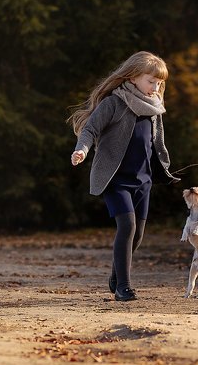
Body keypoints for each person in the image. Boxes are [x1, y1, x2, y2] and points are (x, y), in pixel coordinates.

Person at [68, 51, 178, 301]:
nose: (156, 87)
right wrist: (81, 150)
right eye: (151, 81)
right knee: (126, 226)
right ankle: (123, 287)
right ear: (132, 77)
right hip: (116, 179)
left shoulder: (153, 107)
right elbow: (90, 129)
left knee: (137, 235)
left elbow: (154, 143)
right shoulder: (114, 103)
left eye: (160, 83)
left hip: (144, 180)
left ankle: (116, 274)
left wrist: (163, 167)